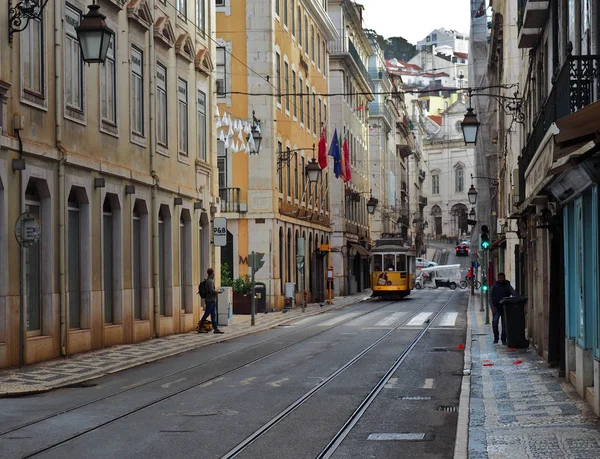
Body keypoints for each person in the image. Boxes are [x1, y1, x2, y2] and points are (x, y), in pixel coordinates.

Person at [490, 272, 516, 345]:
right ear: (498, 278)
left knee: (504, 325)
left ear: (504, 278)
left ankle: (503, 339)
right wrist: (492, 306)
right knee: (495, 323)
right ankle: (496, 338)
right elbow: (490, 297)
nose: (501, 279)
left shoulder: (507, 285)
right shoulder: (494, 286)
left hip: (505, 308)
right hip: (496, 308)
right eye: (499, 277)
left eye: (502, 277)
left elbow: (513, 293)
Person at [198, 268, 224, 334]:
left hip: (212, 300)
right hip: (210, 300)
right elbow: (211, 290)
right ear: (212, 273)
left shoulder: (210, 280)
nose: (214, 273)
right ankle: (200, 327)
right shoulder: (210, 281)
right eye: (213, 272)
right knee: (206, 314)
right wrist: (218, 292)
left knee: (213, 315)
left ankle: (215, 328)